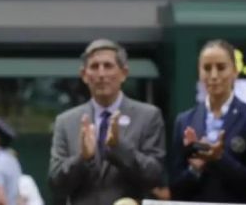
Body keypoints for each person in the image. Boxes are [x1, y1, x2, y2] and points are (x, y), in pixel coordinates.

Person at [49, 39, 166, 205]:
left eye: (108, 66)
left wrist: (119, 147)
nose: (101, 74)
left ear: (124, 73)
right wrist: (83, 158)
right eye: (94, 67)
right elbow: (56, 184)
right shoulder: (66, 122)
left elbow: (154, 176)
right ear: (84, 75)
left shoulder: (148, 116)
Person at [170, 40, 246, 202]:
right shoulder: (184, 120)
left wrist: (219, 158)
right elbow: (175, 189)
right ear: (199, 73)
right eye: (207, 68)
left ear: (235, 71)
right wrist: (194, 170)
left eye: (221, 67)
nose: (213, 76)